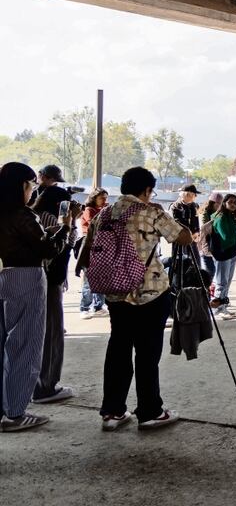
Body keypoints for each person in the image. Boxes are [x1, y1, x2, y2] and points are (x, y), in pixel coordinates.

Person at [77, 167, 193, 431]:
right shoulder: (151, 212)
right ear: (147, 190)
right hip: (149, 291)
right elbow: (183, 237)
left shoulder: (105, 213)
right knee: (147, 352)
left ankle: (113, 411)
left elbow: (87, 249)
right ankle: (150, 411)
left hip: (115, 292)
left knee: (118, 348)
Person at [0, 162, 73, 432]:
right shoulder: (22, 215)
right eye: (31, 185)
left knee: (4, 347)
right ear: (22, 185)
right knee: (25, 346)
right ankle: (15, 413)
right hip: (26, 278)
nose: (32, 191)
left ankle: (5, 409)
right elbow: (47, 250)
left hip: (4, 275)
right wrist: (64, 228)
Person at [30, 184, 81, 405]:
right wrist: (69, 223)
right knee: (51, 333)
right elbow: (63, 247)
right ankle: (46, 385)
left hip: (39, 280)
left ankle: (35, 384)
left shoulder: (33, 215)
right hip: (48, 281)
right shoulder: (50, 218)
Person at [211, 194, 236, 321]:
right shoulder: (220, 218)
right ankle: (217, 308)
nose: (233, 204)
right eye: (230, 202)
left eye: (235, 203)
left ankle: (223, 305)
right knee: (221, 282)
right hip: (223, 254)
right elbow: (226, 238)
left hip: (231, 253)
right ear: (224, 203)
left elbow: (235, 235)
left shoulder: (231, 217)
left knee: (227, 281)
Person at [78, 188, 109, 319]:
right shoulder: (89, 210)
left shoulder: (103, 209)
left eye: (106, 198)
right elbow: (95, 225)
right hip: (90, 244)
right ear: (94, 198)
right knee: (88, 278)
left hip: (102, 245)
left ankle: (98, 306)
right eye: (102, 198)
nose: (104, 200)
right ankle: (84, 307)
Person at [170, 184, 201, 286]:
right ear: (187, 195)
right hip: (181, 239)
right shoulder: (175, 206)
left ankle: (195, 284)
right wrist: (189, 233)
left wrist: (197, 232)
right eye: (193, 195)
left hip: (193, 239)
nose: (194, 197)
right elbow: (177, 223)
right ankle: (178, 285)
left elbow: (196, 221)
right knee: (180, 263)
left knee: (196, 262)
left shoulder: (194, 206)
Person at [197, 192, 223, 282]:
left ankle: (209, 287)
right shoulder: (205, 213)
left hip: (214, 244)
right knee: (210, 270)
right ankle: (205, 288)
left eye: (221, 204)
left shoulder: (218, 212)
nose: (219, 205)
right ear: (212, 203)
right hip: (205, 244)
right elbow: (205, 228)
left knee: (213, 269)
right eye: (218, 203)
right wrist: (216, 219)